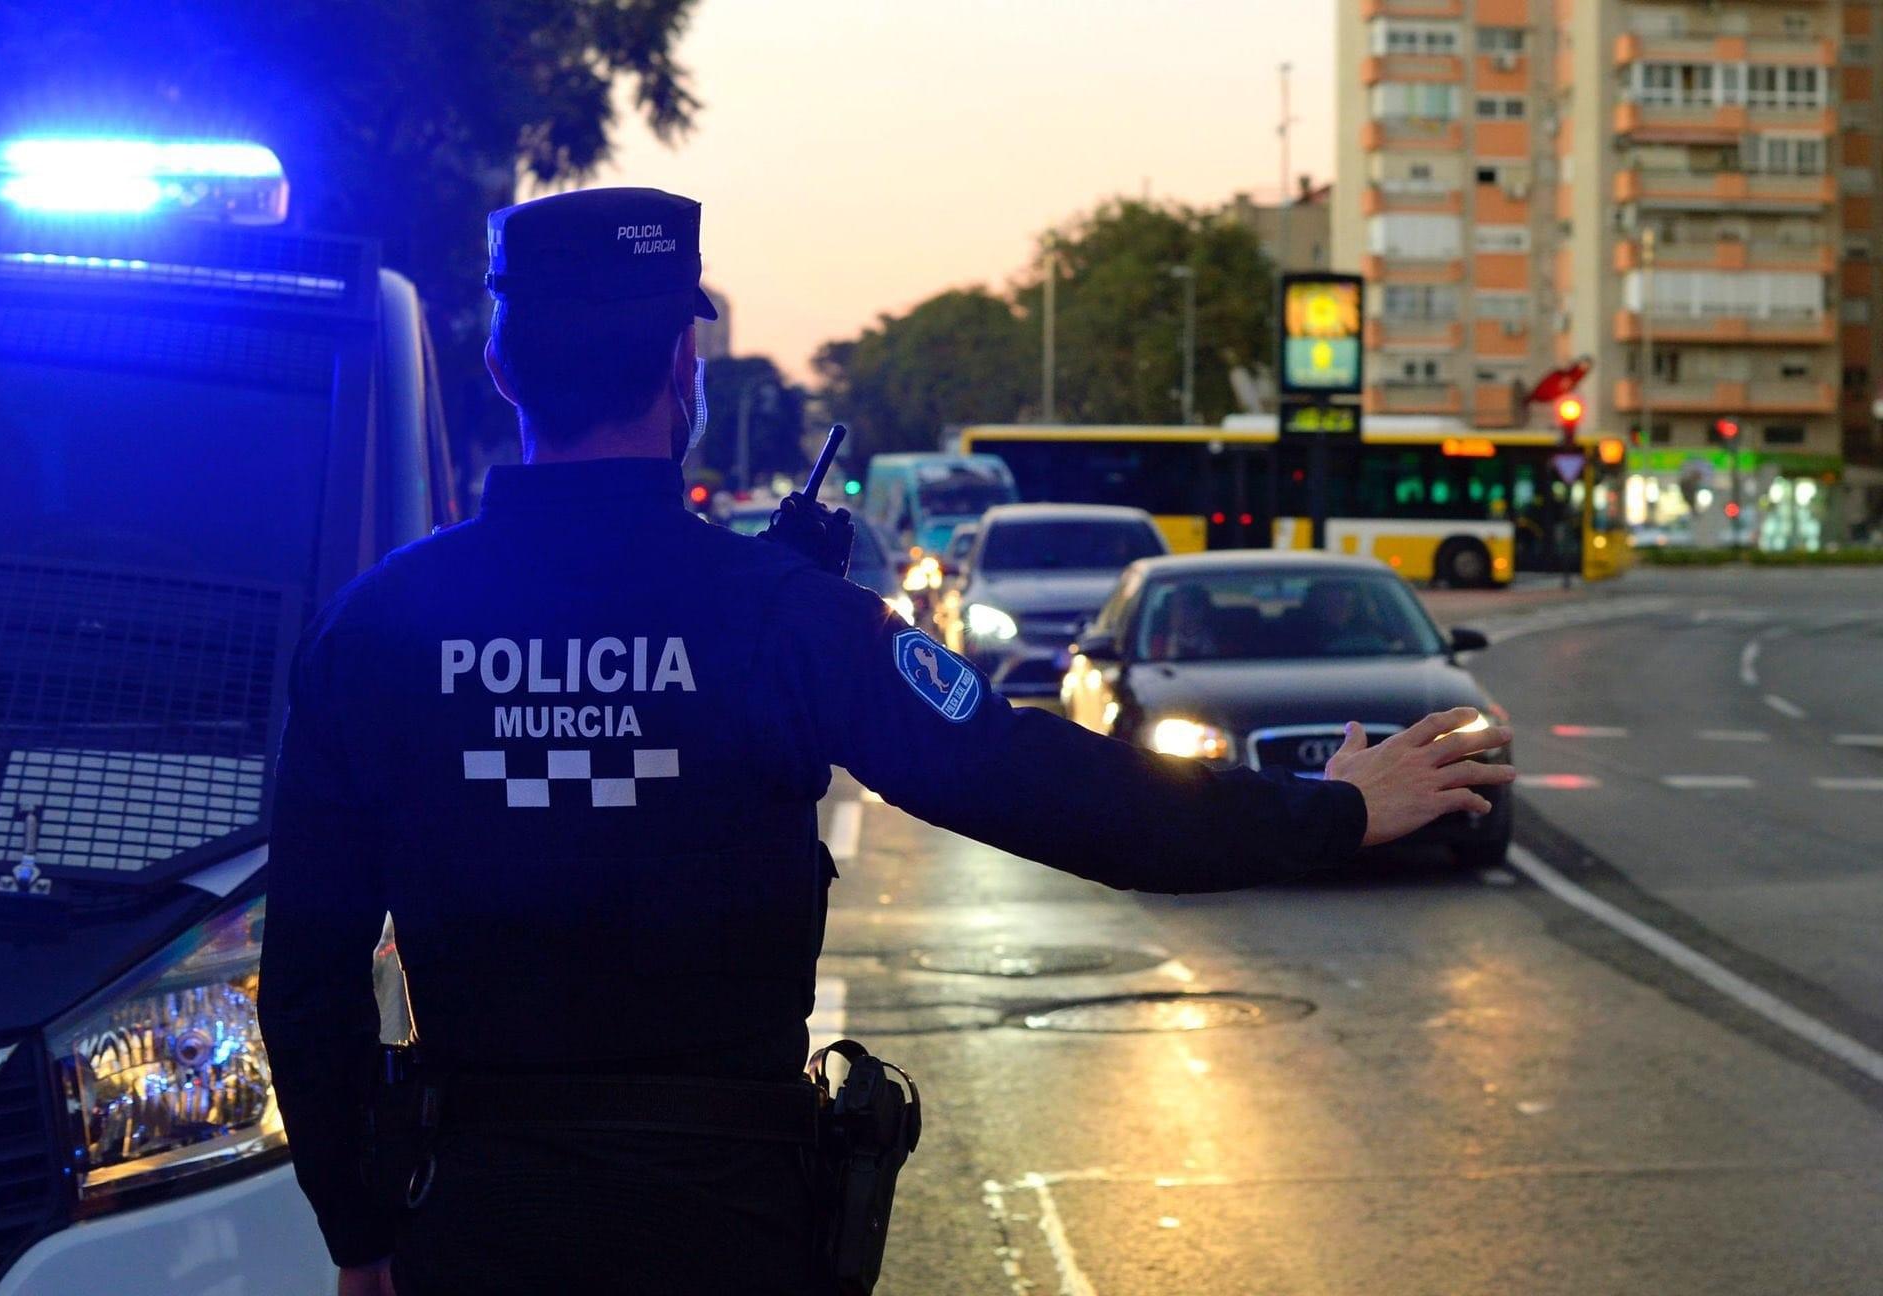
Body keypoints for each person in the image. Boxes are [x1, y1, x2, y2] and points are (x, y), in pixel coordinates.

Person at [256, 187, 1515, 1296]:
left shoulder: (374, 629)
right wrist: (1330, 809)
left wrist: (359, 1233)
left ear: (503, 370)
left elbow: (308, 975)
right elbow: (1050, 788)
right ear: (684, 374)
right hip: (725, 1231)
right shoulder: (783, 622)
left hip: (472, 1227)